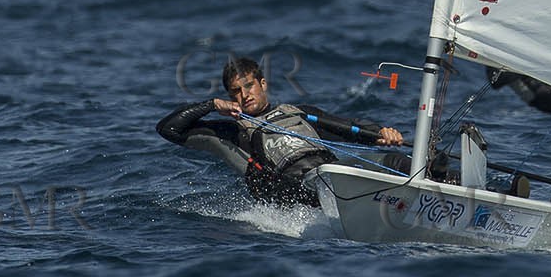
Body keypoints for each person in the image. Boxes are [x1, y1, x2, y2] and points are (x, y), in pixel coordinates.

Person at [156, 57, 405, 207]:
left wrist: (382, 132)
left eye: (249, 86)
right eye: (235, 92)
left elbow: (348, 127)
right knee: (326, 184)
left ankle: (442, 187)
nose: (244, 95)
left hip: (330, 173)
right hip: (292, 187)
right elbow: (168, 129)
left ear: (262, 84)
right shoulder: (233, 130)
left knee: (397, 161)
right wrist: (211, 105)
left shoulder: (297, 112)